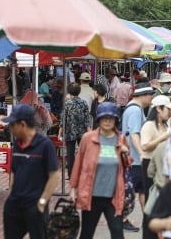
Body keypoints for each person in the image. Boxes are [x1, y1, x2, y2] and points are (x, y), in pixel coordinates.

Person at [70, 102, 131, 239]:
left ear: (116, 120)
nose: (108, 121)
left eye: (111, 118)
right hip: (92, 195)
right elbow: (78, 163)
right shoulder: (88, 138)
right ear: (99, 119)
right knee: (87, 233)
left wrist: (125, 153)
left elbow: (127, 166)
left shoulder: (121, 139)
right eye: (104, 118)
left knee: (117, 232)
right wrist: (73, 188)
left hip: (114, 195)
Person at [2, 104, 59, 239]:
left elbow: (54, 175)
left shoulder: (45, 145)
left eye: (12, 125)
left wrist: (42, 202)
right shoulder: (17, 144)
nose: (10, 128)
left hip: (35, 206)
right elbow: (15, 171)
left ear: (22, 124)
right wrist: (11, 196)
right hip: (15, 205)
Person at [121, 82, 155, 230]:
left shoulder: (134, 108)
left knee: (141, 189)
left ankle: (147, 219)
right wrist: (142, 153)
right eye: (150, 96)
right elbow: (134, 134)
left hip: (133, 156)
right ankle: (122, 219)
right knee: (132, 190)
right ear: (144, 96)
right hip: (134, 158)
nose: (151, 99)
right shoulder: (135, 110)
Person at [140, 95, 171, 239]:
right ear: (159, 109)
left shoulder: (165, 125)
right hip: (149, 165)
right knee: (151, 200)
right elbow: (145, 146)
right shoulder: (149, 125)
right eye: (167, 109)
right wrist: (163, 137)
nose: (169, 113)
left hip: (161, 165)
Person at [58, 83, 90, 178]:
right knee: (83, 153)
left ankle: (71, 174)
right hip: (82, 131)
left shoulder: (68, 103)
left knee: (70, 154)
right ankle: (82, 172)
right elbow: (87, 119)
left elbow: (63, 119)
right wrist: (89, 131)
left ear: (69, 91)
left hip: (70, 131)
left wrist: (59, 132)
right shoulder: (84, 103)